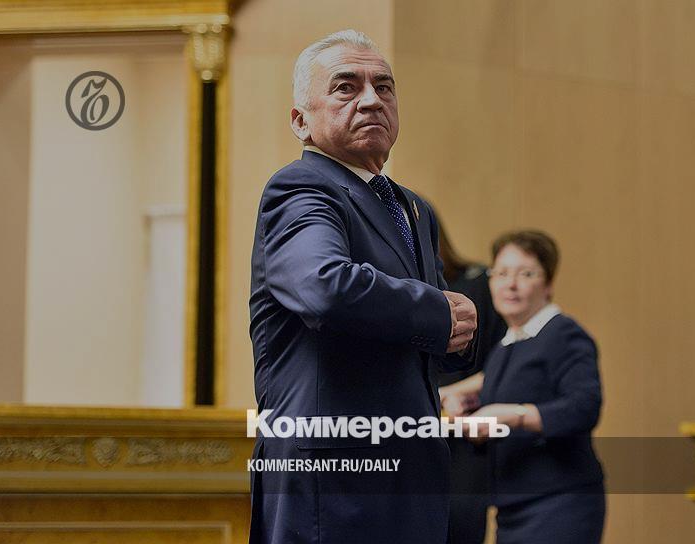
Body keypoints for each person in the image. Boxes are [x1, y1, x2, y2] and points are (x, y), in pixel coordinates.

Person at [248, 30, 477, 544]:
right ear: (300, 121)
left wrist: (459, 331)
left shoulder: (411, 207)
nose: (372, 100)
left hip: (409, 475)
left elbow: (428, 333)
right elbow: (324, 285)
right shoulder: (302, 187)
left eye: (384, 87)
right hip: (336, 479)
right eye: (346, 87)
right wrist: (440, 315)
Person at [440, 230, 605, 544]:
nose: (510, 284)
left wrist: (512, 415)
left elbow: (584, 407)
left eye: (525, 274)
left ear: (549, 283)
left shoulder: (564, 335)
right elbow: (506, 390)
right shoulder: (509, 344)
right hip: (513, 507)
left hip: (558, 502)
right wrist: (471, 411)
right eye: (501, 274)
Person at [433, 219, 507, 543]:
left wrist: (446, 394)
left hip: (464, 435)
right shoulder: (393, 298)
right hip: (415, 436)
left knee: (460, 524)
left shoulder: (476, 284)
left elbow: (504, 365)